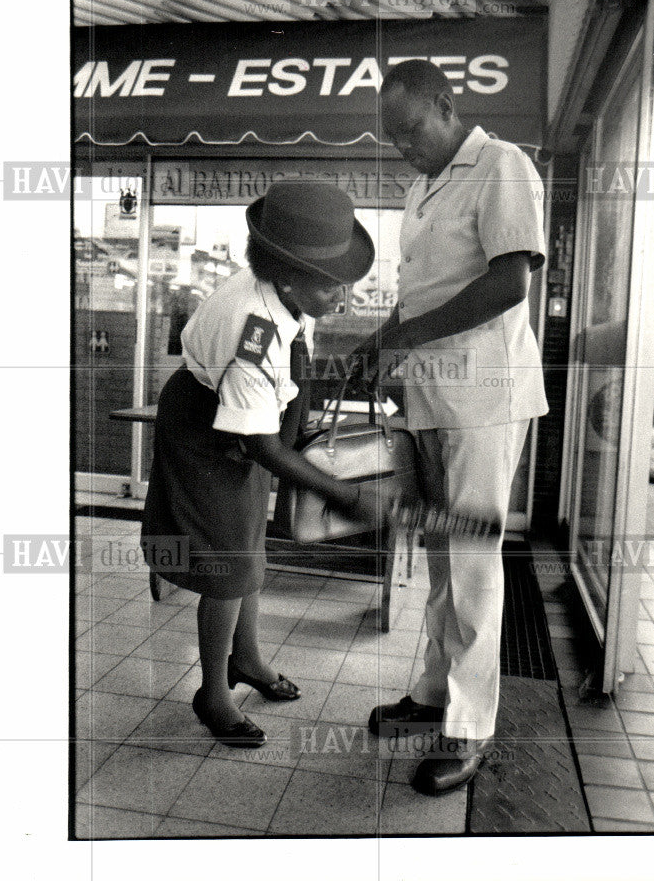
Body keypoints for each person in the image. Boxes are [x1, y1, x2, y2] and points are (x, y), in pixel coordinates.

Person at [357, 60, 549, 795]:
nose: (402, 146)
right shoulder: (422, 186)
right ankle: (435, 692)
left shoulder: (501, 165)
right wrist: (378, 344)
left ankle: (471, 729)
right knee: (440, 557)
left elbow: (510, 282)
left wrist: (409, 341)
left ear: (444, 105)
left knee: (471, 565)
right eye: (392, 137)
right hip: (430, 397)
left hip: (482, 397)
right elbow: (421, 294)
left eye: (410, 130)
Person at [141, 181, 383, 748]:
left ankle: (245, 659)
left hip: (250, 421)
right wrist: (343, 492)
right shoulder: (254, 328)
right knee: (227, 566)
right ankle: (213, 696)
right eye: (334, 285)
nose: (344, 296)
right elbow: (260, 447)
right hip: (207, 430)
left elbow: (288, 385)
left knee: (250, 545)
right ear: (290, 272)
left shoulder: (290, 293)